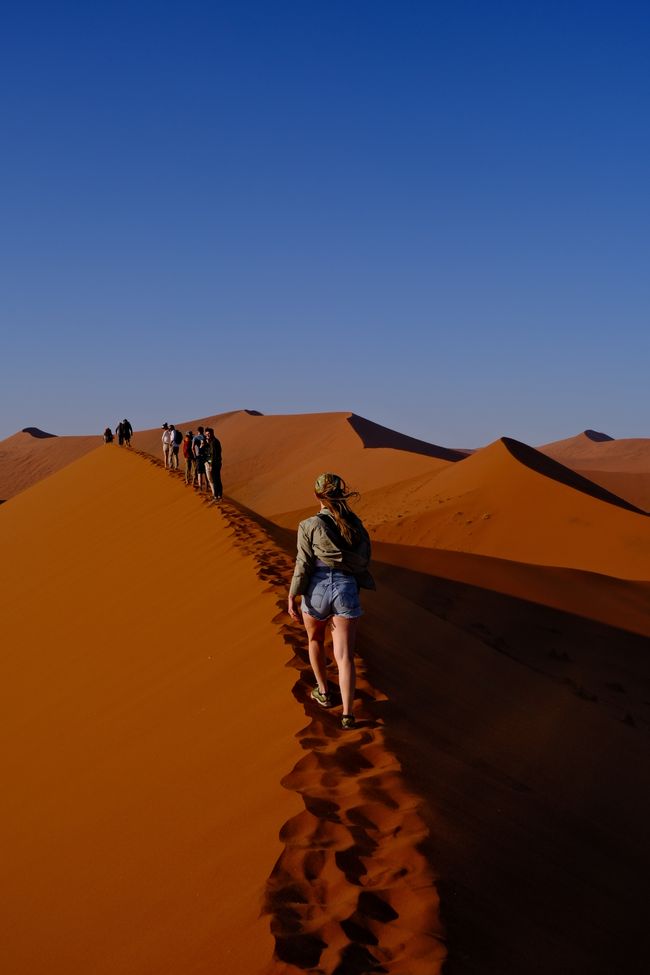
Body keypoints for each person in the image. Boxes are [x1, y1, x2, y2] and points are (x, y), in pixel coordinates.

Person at [287, 473, 374, 730]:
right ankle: (348, 715)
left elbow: (303, 564)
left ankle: (323, 692)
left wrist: (293, 594)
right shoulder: (355, 524)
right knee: (344, 656)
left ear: (317, 495)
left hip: (317, 589)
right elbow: (364, 557)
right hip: (346, 589)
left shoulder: (308, 524)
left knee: (315, 639)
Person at [204, 427, 223, 501]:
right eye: (206, 434)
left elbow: (213, 455)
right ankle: (219, 495)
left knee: (216, 480)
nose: (207, 435)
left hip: (215, 464)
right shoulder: (212, 441)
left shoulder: (214, 442)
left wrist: (211, 465)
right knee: (217, 479)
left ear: (212, 433)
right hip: (216, 463)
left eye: (208, 434)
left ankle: (216, 496)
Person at [192, 426, 207, 491]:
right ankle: (207, 487)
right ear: (203, 431)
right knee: (206, 473)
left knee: (199, 473)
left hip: (198, 457)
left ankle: (200, 488)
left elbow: (192, 448)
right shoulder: (205, 437)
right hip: (205, 456)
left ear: (198, 431)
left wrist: (195, 456)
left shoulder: (195, 437)